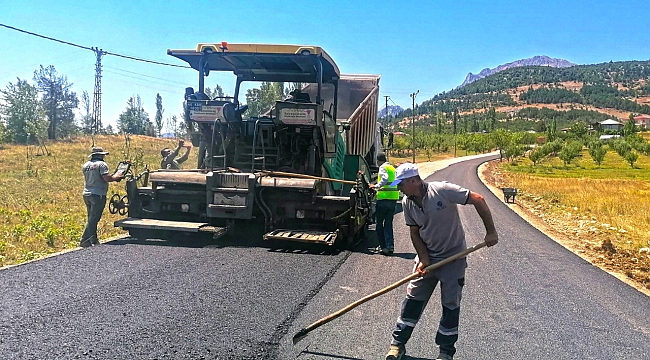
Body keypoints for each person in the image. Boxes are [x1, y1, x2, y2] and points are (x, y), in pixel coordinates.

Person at [384, 163, 498, 360]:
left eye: (401, 184)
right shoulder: (407, 202)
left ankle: (445, 353)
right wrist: (424, 259)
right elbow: (414, 232)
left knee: (450, 305)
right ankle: (397, 345)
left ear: (413, 180)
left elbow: (478, 199)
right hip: (428, 259)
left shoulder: (443, 191)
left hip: (453, 259)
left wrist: (491, 231)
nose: (398, 188)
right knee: (413, 300)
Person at [80, 146, 124, 247]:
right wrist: (117, 176)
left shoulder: (86, 165)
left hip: (87, 193)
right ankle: (85, 240)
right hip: (98, 194)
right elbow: (107, 178)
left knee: (91, 218)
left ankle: (93, 240)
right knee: (94, 218)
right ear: (100, 155)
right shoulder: (102, 165)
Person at [369, 152, 400, 255]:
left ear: (378, 161)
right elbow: (397, 181)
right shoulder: (392, 168)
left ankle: (383, 247)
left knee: (379, 224)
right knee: (388, 224)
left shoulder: (383, 168)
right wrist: (391, 187)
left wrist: (376, 186)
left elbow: (385, 178)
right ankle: (390, 246)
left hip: (383, 199)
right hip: (393, 199)